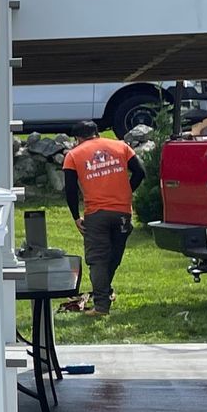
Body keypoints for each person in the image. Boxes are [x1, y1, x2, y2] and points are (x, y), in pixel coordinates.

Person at [62, 120, 144, 316]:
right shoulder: (121, 146)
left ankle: (101, 306)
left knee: (98, 259)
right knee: (113, 257)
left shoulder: (73, 155)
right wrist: (126, 192)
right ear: (97, 133)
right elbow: (140, 172)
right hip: (123, 212)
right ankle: (105, 292)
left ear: (78, 138)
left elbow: (71, 191)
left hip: (96, 214)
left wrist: (75, 216)